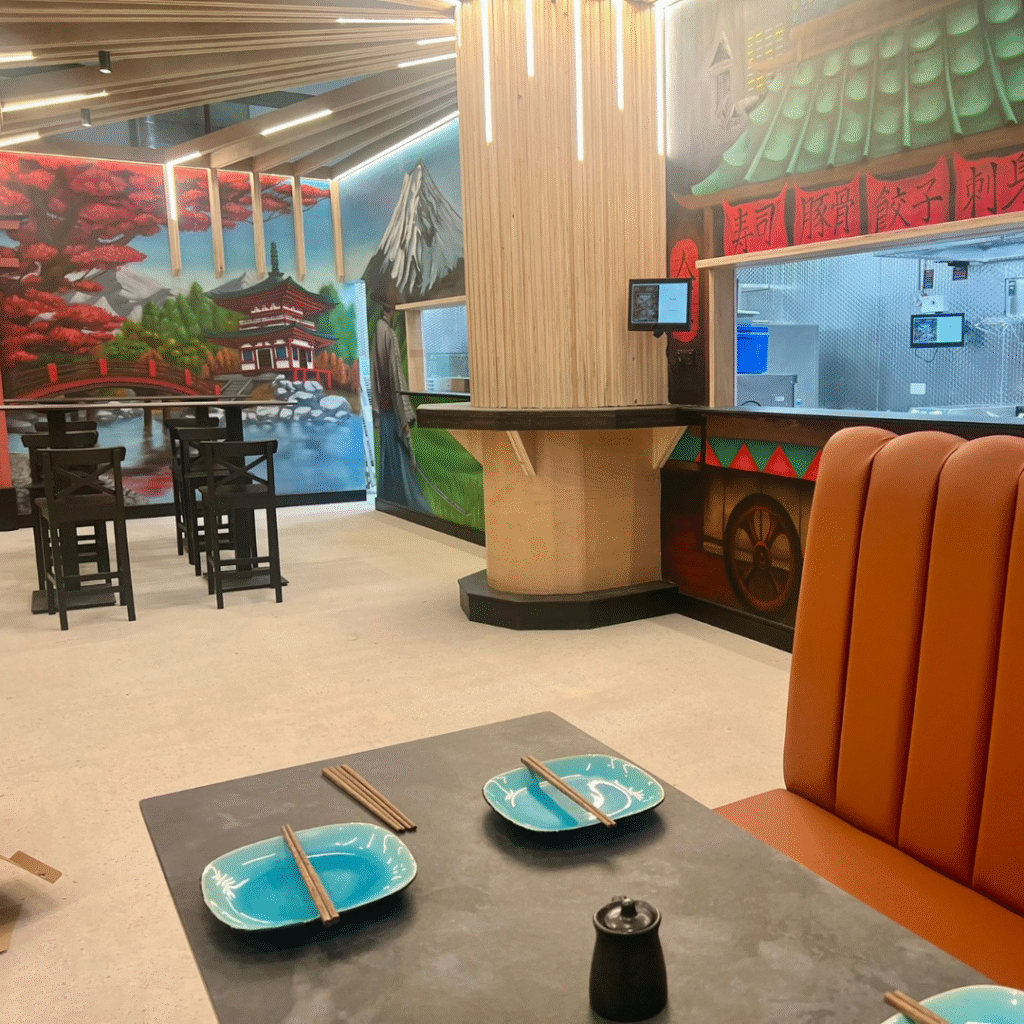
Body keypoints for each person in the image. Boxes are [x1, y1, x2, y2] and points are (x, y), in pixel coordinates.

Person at [370, 303, 432, 513]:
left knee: (389, 458)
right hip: (393, 409)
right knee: (401, 461)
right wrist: (404, 413)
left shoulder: (378, 331)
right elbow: (397, 376)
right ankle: (407, 504)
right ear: (391, 312)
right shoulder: (389, 333)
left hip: (384, 408)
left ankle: (390, 502)